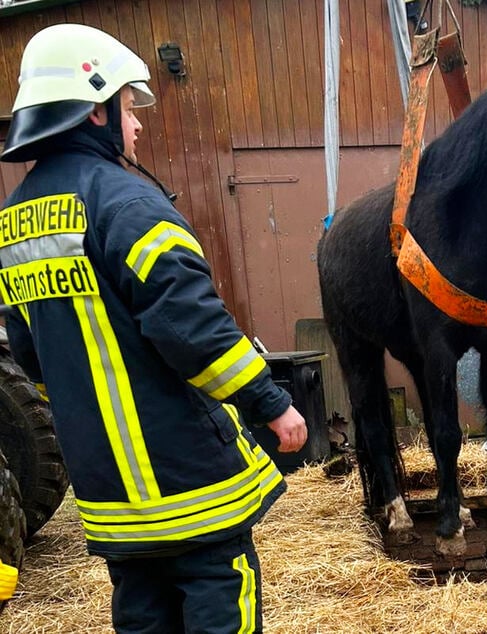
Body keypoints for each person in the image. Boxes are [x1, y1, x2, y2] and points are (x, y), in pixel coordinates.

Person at [0, 23, 307, 631]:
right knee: (223, 603)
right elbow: (192, 328)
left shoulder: (14, 223)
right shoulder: (127, 205)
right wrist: (272, 403)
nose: (137, 123)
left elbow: (32, 359)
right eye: (128, 106)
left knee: (141, 614)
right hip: (189, 483)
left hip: (110, 496)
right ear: (95, 112)